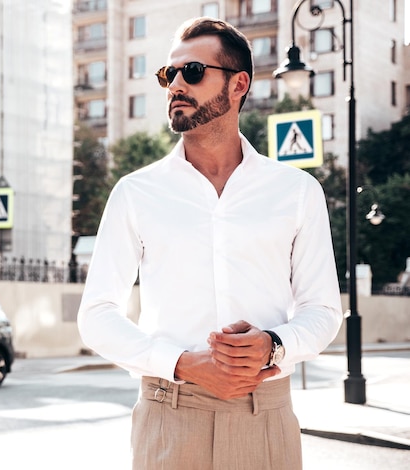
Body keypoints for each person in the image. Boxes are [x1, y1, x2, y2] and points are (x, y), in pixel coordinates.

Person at [77, 16, 342, 470]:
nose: (176, 84)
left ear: (238, 84)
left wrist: (274, 345)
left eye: (193, 72)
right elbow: (96, 316)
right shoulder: (136, 192)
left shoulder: (296, 191)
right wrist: (180, 362)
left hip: (265, 418)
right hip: (169, 416)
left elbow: (323, 311)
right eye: (169, 74)